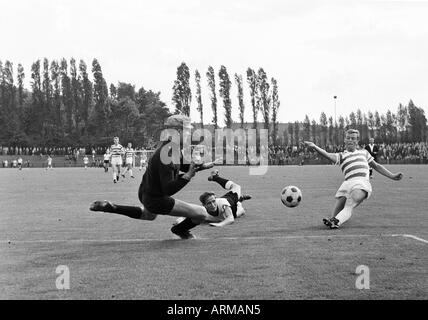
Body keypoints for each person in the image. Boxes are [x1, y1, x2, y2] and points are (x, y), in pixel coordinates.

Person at [90, 115, 221, 239]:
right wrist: (188, 176)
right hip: (156, 199)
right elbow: (168, 189)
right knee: (201, 213)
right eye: (187, 131)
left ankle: (112, 207)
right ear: (177, 132)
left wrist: (202, 166)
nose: (189, 135)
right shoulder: (168, 153)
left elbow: (183, 166)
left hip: (146, 193)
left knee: (149, 215)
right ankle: (179, 230)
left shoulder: (171, 148)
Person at [304, 129, 403, 229]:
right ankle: (335, 220)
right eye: (348, 138)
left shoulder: (364, 153)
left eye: (353, 138)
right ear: (345, 140)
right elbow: (327, 154)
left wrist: (392, 176)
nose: (350, 140)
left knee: (352, 201)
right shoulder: (341, 155)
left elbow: (377, 166)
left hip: (362, 183)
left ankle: (336, 221)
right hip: (347, 184)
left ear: (357, 141)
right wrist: (314, 146)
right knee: (335, 215)